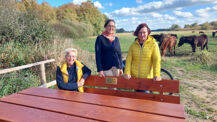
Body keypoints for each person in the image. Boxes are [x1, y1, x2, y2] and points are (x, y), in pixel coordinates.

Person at [124, 23, 161, 92]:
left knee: (144, 98)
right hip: (135, 77)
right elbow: (128, 60)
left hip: (146, 78)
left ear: (148, 33)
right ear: (137, 33)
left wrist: (157, 74)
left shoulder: (153, 44)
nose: (142, 34)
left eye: (144, 32)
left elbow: (156, 60)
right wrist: (127, 72)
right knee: (137, 97)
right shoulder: (133, 45)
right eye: (140, 32)